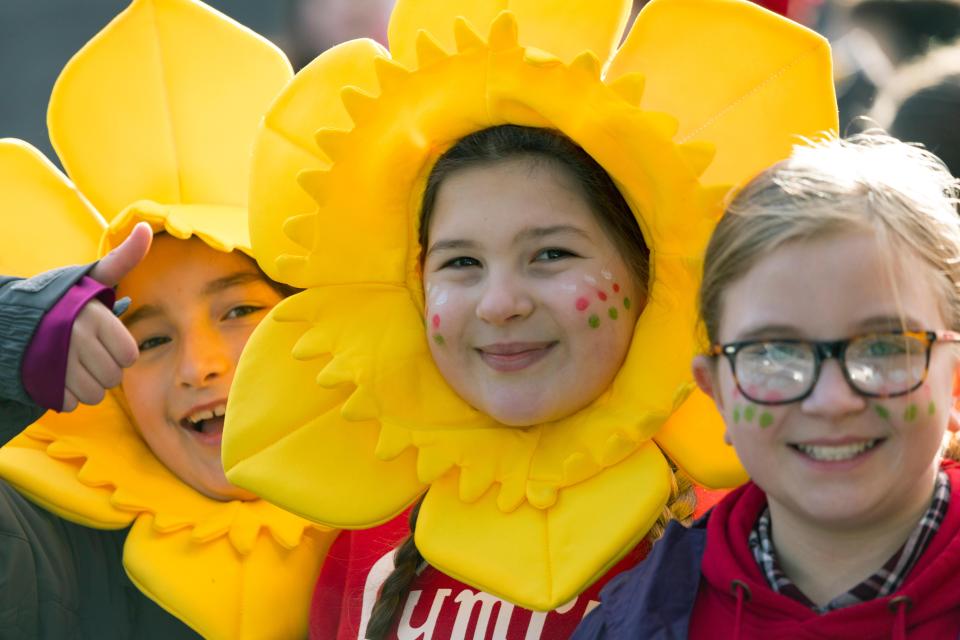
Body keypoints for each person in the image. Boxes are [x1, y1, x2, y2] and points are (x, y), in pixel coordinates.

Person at [221, 0, 837, 637]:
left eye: (550, 254)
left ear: (649, 274)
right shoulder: (348, 531)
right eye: (461, 263)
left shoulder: (761, 531)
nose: (500, 303)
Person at [0, 0, 334, 637]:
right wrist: (15, 333)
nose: (200, 365)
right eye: (148, 338)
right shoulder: (48, 559)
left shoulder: (447, 514)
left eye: (240, 310)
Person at [574, 133, 960, 639]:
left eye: (885, 347)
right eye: (775, 353)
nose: (831, 401)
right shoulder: (630, 623)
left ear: (953, 379)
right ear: (719, 393)